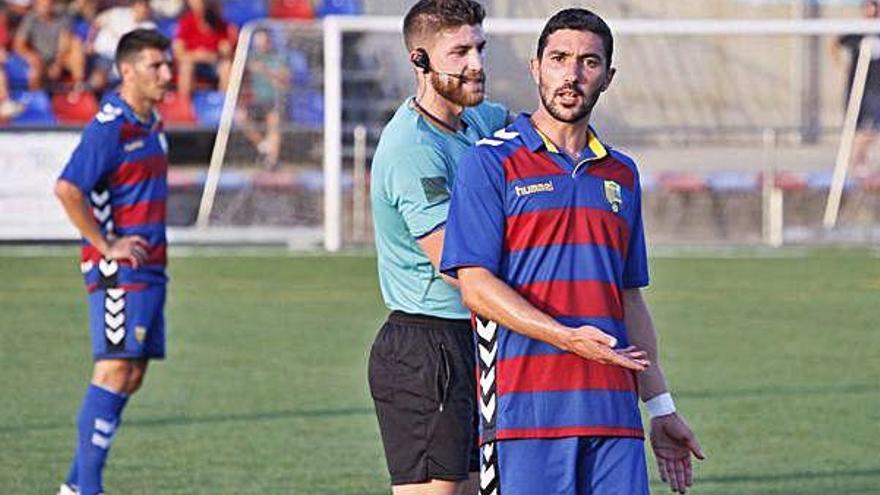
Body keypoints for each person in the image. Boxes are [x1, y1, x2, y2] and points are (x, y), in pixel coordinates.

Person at [440, 8, 704, 495]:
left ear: (607, 77)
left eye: (589, 62)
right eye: (559, 58)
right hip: (527, 417)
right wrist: (566, 338)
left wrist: (660, 407)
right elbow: (475, 287)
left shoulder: (622, 174)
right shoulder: (490, 161)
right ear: (536, 67)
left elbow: (628, 300)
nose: (572, 74)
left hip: (614, 417)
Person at [367, 1, 508, 494]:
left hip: (472, 339)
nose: (477, 63)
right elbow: (457, 267)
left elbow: (549, 136)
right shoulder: (412, 148)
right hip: (427, 349)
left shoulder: (481, 122)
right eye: (460, 52)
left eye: (480, 48)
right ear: (420, 61)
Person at [53, 28, 172, 495]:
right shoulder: (109, 126)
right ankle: (88, 489)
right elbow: (67, 189)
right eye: (155, 66)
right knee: (113, 370)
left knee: (132, 373)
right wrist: (106, 245)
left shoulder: (151, 121)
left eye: (166, 64)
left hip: (151, 269)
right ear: (127, 71)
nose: (166, 73)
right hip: (119, 273)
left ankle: (72, 487)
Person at [834, 0, 880, 177]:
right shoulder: (856, 31)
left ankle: (858, 160)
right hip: (858, 87)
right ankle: (858, 162)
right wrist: (840, 66)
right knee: (860, 126)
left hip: (876, 88)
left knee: (873, 127)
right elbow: (834, 43)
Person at [235, 27, 287, 169]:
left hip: (273, 99)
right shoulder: (250, 58)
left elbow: (284, 80)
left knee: (274, 121)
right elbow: (242, 80)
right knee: (239, 117)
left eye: (263, 40)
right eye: (258, 40)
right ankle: (263, 146)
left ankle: (271, 161)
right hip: (254, 101)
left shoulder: (278, 58)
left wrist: (265, 70)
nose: (260, 44)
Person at [13, 0, 86, 91]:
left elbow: (64, 43)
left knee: (76, 45)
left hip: (60, 57)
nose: (45, 7)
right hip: (40, 57)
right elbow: (18, 43)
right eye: (41, 5)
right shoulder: (30, 19)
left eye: (47, 4)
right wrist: (31, 56)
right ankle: (37, 97)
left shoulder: (62, 17)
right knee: (34, 70)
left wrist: (57, 64)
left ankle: (79, 88)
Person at [87, 0, 157, 94]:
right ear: (135, 5)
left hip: (125, 61)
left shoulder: (149, 27)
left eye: (146, 6)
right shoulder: (118, 13)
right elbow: (97, 23)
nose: (143, 9)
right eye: (140, 5)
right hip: (103, 55)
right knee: (97, 81)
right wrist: (90, 42)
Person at [173, 0, 234, 100]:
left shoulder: (222, 25)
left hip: (214, 65)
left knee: (226, 66)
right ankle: (184, 103)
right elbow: (178, 53)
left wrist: (224, 52)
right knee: (186, 66)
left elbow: (227, 52)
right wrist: (198, 56)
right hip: (194, 64)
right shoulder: (186, 22)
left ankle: (224, 103)